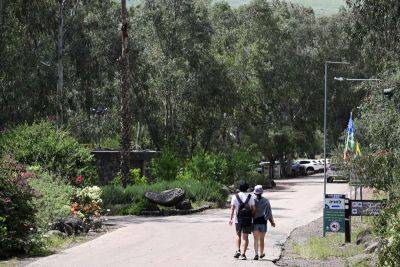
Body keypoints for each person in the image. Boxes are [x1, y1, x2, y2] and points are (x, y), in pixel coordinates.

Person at [229, 180, 256, 260]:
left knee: (238, 235)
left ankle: (238, 250)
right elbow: (254, 209)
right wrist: (251, 215)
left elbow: (232, 209)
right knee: (245, 237)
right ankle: (243, 254)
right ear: (247, 188)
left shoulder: (235, 196)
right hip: (248, 220)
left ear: (239, 188)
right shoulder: (251, 197)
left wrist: (230, 219)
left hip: (238, 219)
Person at [252, 185, 275, 260]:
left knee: (255, 239)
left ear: (255, 193)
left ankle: (256, 254)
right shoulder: (266, 201)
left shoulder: (253, 201)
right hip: (263, 222)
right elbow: (269, 213)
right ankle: (261, 254)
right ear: (262, 192)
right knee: (262, 239)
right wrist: (272, 222)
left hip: (255, 222)